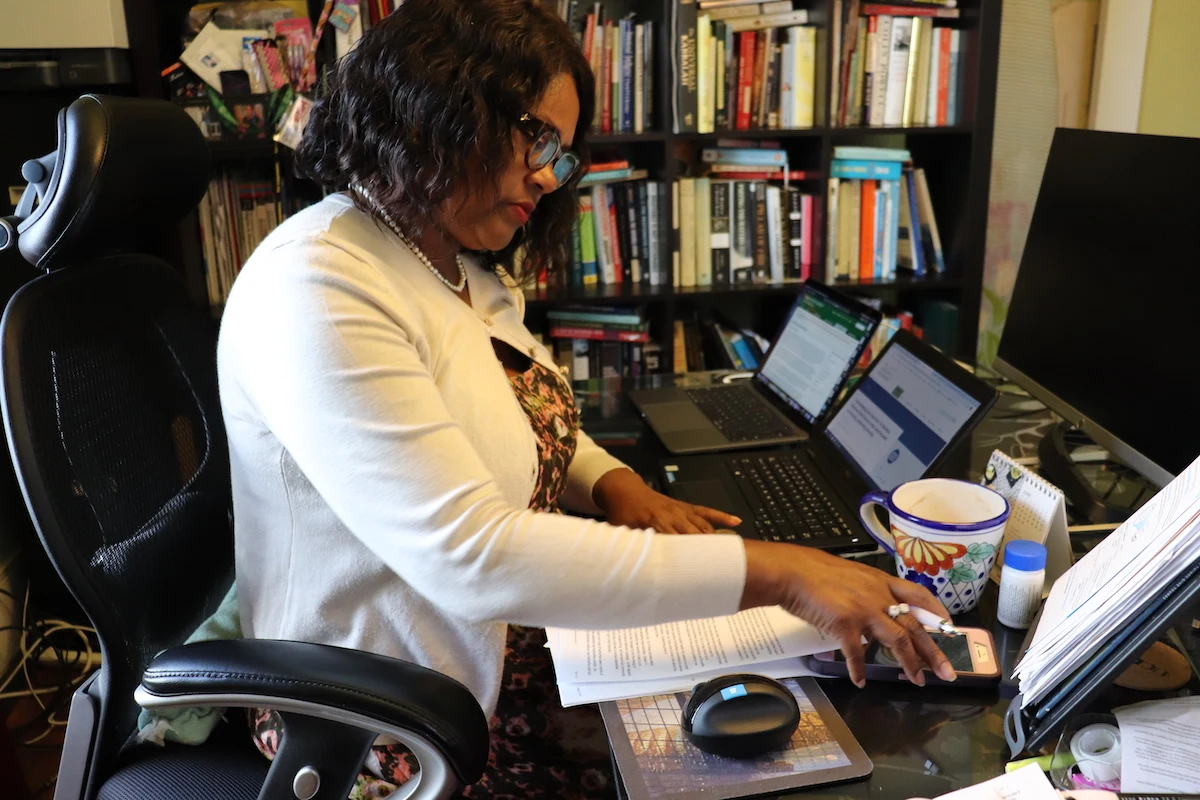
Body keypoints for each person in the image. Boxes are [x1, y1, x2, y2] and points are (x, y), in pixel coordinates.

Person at [216, 0, 956, 797]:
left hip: (503, 651)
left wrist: (614, 485)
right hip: (392, 720)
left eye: (561, 156)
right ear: (439, 106)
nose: (547, 175)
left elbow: (517, 418)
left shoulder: (453, 266)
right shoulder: (319, 285)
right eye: (538, 139)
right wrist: (781, 574)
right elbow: (473, 557)